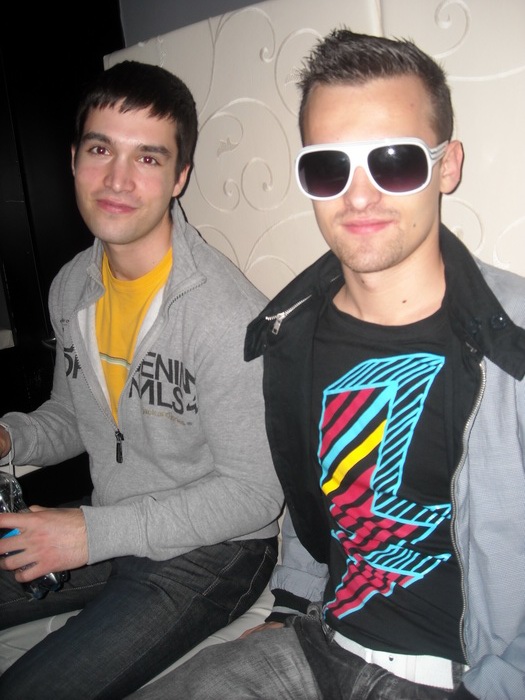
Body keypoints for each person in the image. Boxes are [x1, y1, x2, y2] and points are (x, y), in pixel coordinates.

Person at [126, 28, 525, 700]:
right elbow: (322, 503)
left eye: (394, 161)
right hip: (318, 644)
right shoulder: (291, 333)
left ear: (446, 166)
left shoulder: (512, 342)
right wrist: (288, 607)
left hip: (464, 679)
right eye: (328, 166)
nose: (358, 195)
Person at [0, 60, 283, 699]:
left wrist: (89, 533)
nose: (118, 180)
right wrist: (11, 439)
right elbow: (75, 414)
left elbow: (253, 495)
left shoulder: (228, 316)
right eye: (101, 150)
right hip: (115, 519)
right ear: (75, 160)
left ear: (180, 177)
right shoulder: (72, 285)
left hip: (217, 553)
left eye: (148, 158)